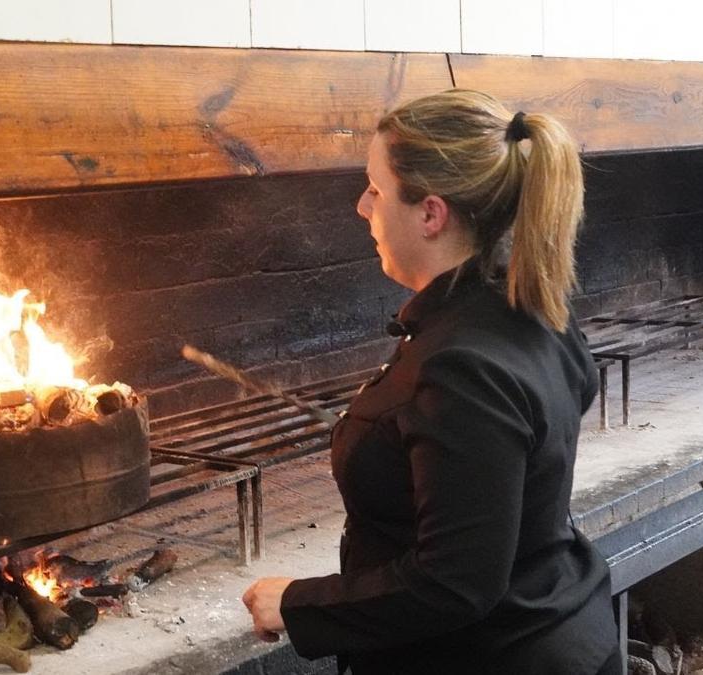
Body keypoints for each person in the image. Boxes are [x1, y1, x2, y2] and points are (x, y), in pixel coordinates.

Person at [240, 89, 620, 674]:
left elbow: (455, 584)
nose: (362, 207)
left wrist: (295, 603)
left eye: (376, 188)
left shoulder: (462, 366)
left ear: (431, 213)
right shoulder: (531, 310)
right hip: (556, 619)